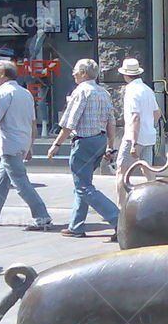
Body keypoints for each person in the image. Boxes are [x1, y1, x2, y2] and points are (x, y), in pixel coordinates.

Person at [0, 61, 52, 230]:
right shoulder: (25, 93)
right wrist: (30, 146)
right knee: (2, 180)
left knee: (20, 182)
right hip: (21, 142)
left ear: (3, 74)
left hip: (9, 144)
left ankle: (42, 215)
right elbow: (33, 123)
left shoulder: (2, 93)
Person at [46, 59, 120, 240]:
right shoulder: (103, 92)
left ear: (84, 73)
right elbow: (111, 121)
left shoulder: (81, 92)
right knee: (82, 183)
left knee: (84, 187)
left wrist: (56, 144)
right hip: (100, 140)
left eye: (75, 71)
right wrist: (110, 146)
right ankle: (76, 225)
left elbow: (69, 123)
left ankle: (119, 219)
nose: (73, 74)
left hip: (84, 142)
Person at [115, 58, 162, 209]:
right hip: (149, 136)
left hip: (133, 137)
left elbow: (135, 117)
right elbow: (157, 113)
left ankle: (121, 208)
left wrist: (134, 143)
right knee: (148, 171)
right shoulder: (147, 89)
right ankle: (153, 202)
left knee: (121, 172)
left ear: (126, 75)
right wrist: (150, 126)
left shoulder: (131, 91)